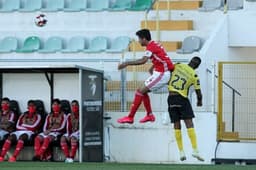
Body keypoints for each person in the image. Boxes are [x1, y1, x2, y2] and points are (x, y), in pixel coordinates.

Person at [117, 29, 174, 124]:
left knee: (139, 92)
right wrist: (153, 67)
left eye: (139, 39)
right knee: (141, 91)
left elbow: (142, 61)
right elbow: (162, 58)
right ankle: (149, 115)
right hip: (159, 72)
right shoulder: (154, 44)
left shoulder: (151, 47)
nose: (138, 41)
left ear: (144, 39)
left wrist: (126, 63)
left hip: (162, 74)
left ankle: (130, 117)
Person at [167, 56, 204, 161]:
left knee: (176, 124)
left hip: (171, 98)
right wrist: (199, 101)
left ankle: (181, 152)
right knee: (189, 124)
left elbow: (168, 71)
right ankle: (195, 150)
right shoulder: (194, 75)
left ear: (190, 61)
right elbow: (199, 93)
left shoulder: (178, 65)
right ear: (197, 66)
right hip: (182, 98)